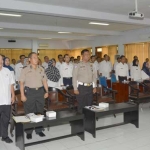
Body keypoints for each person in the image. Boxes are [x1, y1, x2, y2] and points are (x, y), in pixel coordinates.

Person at [19, 52, 48, 139]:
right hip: (30, 92)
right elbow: (21, 83)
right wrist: (22, 95)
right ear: (30, 59)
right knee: (29, 112)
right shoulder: (25, 69)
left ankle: (39, 130)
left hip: (40, 92)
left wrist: (47, 91)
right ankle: (29, 131)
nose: (36, 59)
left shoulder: (41, 69)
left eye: (37, 57)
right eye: (34, 57)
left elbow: (44, 81)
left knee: (40, 111)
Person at [0, 54, 15, 143]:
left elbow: (11, 84)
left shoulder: (7, 71)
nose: (0, 61)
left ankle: (4, 136)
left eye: (1, 59)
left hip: (6, 100)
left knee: (5, 119)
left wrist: (13, 95)